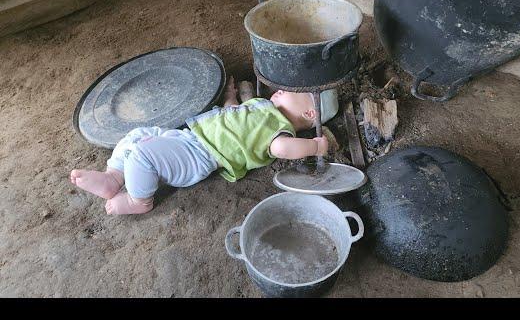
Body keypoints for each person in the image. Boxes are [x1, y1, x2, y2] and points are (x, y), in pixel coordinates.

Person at [69, 77, 339, 216]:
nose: (281, 89)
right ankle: (114, 176)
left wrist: (315, 147)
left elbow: (281, 149)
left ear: (310, 114)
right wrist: (231, 97)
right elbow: (234, 113)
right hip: (188, 137)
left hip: (200, 155)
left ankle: (138, 200)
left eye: (291, 91)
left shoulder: (280, 130)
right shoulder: (262, 106)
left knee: (142, 155)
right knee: (140, 134)